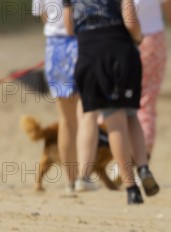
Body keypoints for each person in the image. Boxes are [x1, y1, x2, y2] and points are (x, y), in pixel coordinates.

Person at [63, 0, 160, 204]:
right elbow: (131, 22)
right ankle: (143, 167)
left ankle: (131, 188)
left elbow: (69, 27)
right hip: (119, 50)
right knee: (131, 114)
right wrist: (138, 38)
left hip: (89, 54)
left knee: (111, 119)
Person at [135, 0, 171, 157]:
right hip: (153, 43)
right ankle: (142, 162)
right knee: (147, 102)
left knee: (121, 102)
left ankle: (119, 158)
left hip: (125, 41)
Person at [32, 0, 78, 192]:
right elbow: (72, 24)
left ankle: (71, 181)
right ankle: (84, 176)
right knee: (87, 115)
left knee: (66, 121)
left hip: (54, 46)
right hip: (80, 44)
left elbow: (44, 15)